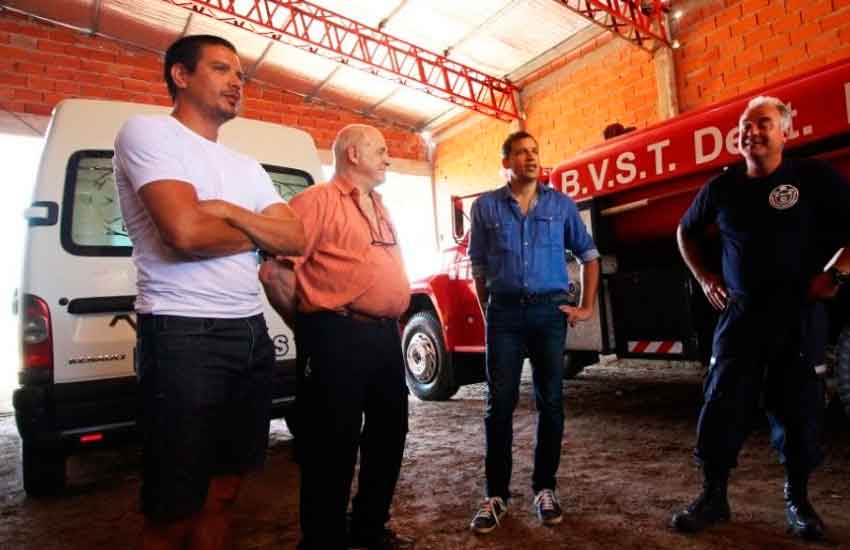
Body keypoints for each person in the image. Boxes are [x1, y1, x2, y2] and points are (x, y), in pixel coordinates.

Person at [113, 35, 305, 550]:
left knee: (224, 491)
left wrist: (227, 210)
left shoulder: (246, 167)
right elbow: (186, 235)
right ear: (181, 75)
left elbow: (297, 237)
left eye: (241, 75)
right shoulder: (148, 133)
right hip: (182, 334)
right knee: (173, 509)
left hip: (250, 333)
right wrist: (255, 231)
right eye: (221, 69)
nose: (237, 83)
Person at [671, 95, 850, 540]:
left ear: (785, 131)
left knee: (799, 408)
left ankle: (798, 501)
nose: (750, 132)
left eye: (763, 124)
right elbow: (685, 231)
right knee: (721, 405)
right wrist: (706, 278)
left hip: (797, 317)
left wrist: (839, 273)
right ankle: (713, 497)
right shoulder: (723, 186)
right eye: (745, 126)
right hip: (741, 317)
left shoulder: (812, 177)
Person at [260, 124, 414, 550]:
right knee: (332, 443)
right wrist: (311, 326)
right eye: (380, 150)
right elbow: (275, 273)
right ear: (352, 154)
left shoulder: (379, 204)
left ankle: (368, 528)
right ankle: (323, 539)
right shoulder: (314, 202)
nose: (387, 158)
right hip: (335, 335)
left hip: (384, 338)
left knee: (390, 433)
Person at [466, 131, 600, 534]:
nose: (530, 158)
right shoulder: (485, 206)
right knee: (499, 404)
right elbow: (478, 268)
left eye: (535, 152)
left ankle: (545, 489)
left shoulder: (560, 205)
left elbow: (589, 255)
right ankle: (496, 495)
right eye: (521, 152)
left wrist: (587, 305)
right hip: (504, 314)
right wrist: (489, 311)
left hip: (548, 313)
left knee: (552, 402)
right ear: (505, 161)